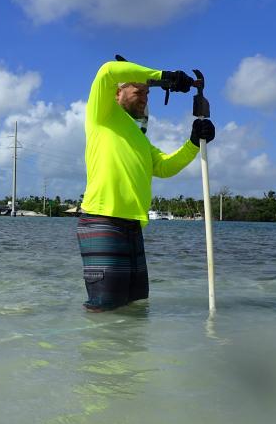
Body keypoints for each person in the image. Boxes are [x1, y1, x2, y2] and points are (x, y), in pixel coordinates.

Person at [78, 59, 215, 311]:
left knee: (136, 306)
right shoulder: (102, 114)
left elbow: (164, 167)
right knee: (105, 309)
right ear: (117, 93)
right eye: (138, 91)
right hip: (103, 221)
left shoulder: (140, 139)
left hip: (133, 227)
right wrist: (164, 75)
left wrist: (194, 142)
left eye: (147, 93)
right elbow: (108, 70)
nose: (144, 98)